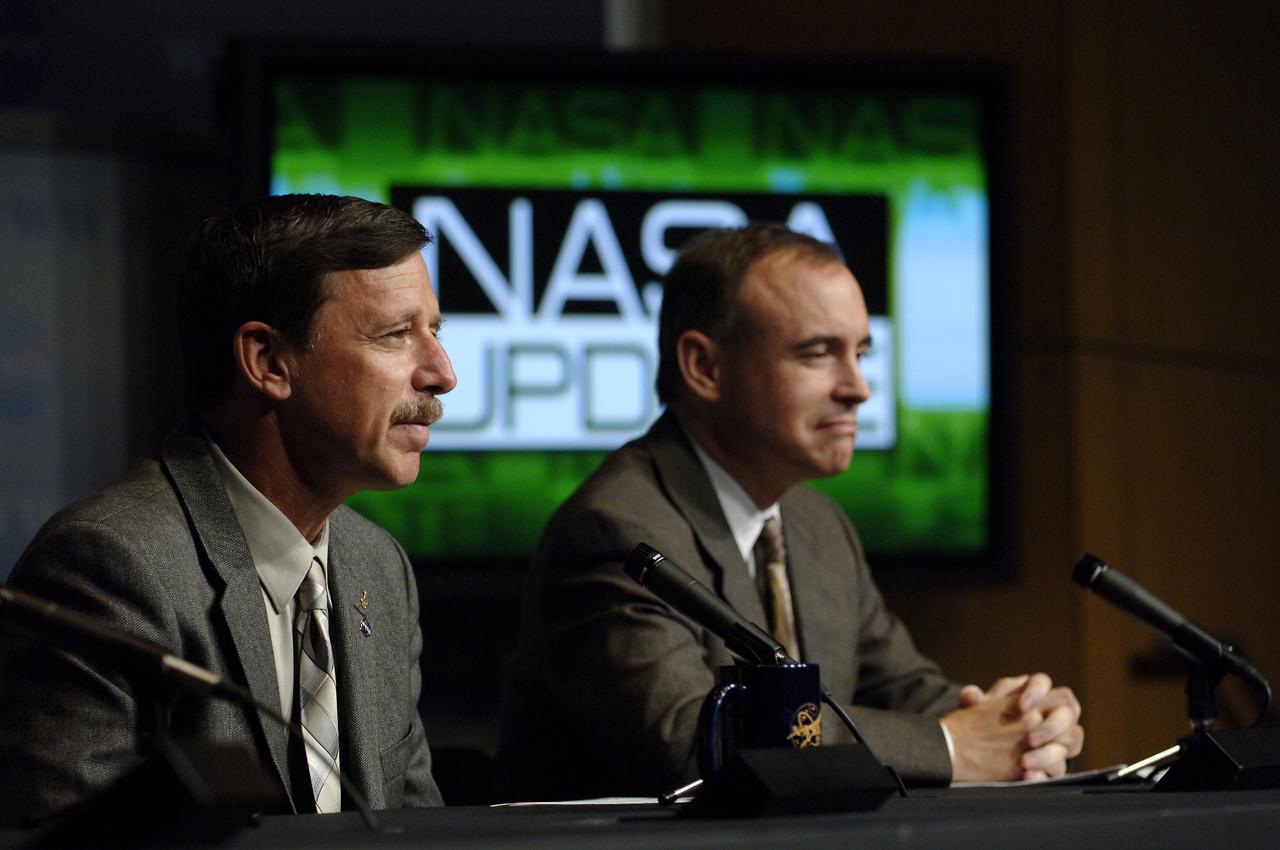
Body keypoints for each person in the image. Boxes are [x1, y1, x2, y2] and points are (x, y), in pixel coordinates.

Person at [496, 223, 1083, 799]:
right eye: (817, 353)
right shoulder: (618, 532)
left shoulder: (817, 526)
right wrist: (953, 747)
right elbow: (698, 748)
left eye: (860, 352)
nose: (858, 388)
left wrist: (1021, 725)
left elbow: (904, 689)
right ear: (705, 367)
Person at [0, 194, 456, 825]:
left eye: (436, 331)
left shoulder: (378, 566)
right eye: (396, 335)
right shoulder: (109, 570)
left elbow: (417, 829)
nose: (441, 374)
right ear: (268, 361)